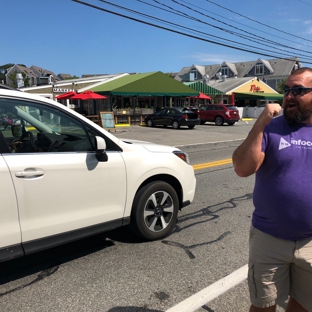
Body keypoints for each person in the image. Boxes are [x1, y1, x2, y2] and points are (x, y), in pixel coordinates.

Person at [232, 67, 312, 312]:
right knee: (263, 306)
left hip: (311, 241)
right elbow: (243, 168)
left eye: (297, 90)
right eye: (286, 89)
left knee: (303, 305)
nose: (289, 95)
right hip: (269, 239)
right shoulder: (270, 128)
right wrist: (260, 123)